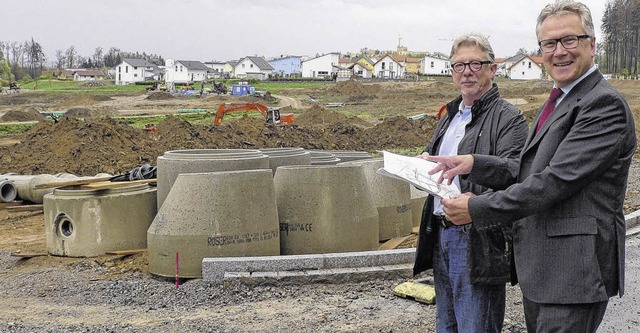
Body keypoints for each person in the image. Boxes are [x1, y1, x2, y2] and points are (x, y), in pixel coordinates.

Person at [426, 1, 636, 331]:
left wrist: (477, 207)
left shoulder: (603, 104)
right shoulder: (560, 99)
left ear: (592, 45)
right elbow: (528, 170)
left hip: (572, 272)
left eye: (570, 40)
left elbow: (553, 182)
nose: (559, 52)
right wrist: (473, 163)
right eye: (549, 44)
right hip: (544, 270)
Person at [413, 33, 528, 333]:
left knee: (475, 326)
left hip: (477, 240)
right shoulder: (449, 116)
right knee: (447, 326)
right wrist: (419, 165)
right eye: (459, 65)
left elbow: (515, 171)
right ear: (451, 72)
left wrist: (474, 165)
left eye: (476, 63)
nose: (467, 71)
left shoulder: (509, 118)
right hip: (440, 234)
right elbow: (439, 166)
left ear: (492, 68)